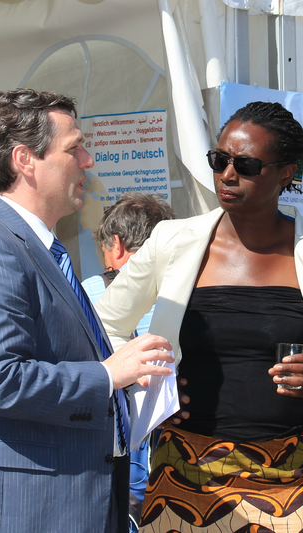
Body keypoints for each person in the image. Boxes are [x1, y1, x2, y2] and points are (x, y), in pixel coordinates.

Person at [96, 101, 303, 533]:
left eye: (246, 165)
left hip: (292, 478)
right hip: (184, 474)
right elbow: (103, 326)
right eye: (220, 160)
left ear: (287, 173)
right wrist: (147, 389)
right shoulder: (172, 242)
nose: (227, 175)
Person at [0, 89, 175, 533]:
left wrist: (135, 388)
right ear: (25, 160)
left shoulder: (43, 252)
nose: (87, 160)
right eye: (74, 148)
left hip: (77, 504)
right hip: (27, 512)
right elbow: (0, 381)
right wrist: (108, 374)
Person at [80, 192, 175, 531]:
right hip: (181, 444)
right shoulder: (186, 290)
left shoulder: (90, 291)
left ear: (117, 245)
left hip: (115, 447)